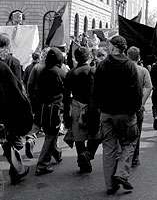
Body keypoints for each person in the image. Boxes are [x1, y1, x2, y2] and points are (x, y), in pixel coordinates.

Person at [94, 36, 142, 195]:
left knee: (108, 149)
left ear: (114, 47)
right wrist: (135, 110)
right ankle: (121, 173)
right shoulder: (130, 66)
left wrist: (98, 109)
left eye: (109, 45)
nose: (107, 47)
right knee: (129, 142)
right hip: (126, 114)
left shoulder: (102, 65)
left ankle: (110, 185)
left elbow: (96, 91)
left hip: (107, 113)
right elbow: (137, 92)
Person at [63, 46, 100, 173]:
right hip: (92, 107)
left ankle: (83, 162)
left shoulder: (71, 73)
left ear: (76, 58)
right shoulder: (93, 71)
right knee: (95, 134)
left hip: (76, 105)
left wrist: (66, 115)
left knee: (79, 137)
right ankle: (88, 155)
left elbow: (66, 96)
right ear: (88, 57)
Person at [35, 47, 67, 175]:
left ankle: (57, 154)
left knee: (51, 133)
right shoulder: (60, 73)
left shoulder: (42, 71)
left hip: (42, 107)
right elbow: (66, 91)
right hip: (54, 108)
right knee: (51, 134)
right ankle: (42, 164)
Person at [0, 61, 33, 185]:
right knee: (10, 141)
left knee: (7, 141)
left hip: (5, 112)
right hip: (6, 113)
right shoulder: (2, 67)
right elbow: (15, 90)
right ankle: (17, 170)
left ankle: (17, 170)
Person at [127, 46, 153, 166]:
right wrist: (142, 102)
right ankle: (135, 158)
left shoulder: (122, 68)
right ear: (139, 57)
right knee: (136, 132)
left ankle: (122, 156)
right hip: (137, 106)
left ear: (127, 56)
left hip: (121, 107)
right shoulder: (143, 71)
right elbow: (148, 87)